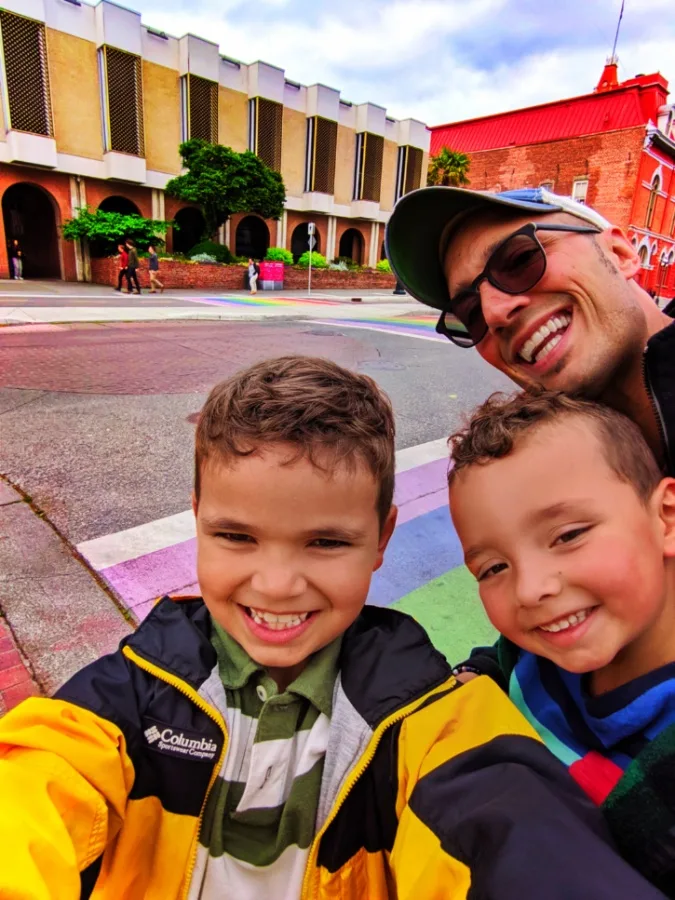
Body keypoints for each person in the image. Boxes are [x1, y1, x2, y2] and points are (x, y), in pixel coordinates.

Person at [0, 356, 663, 900]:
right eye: (236, 536)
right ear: (196, 517)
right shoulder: (127, 693)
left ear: (381, 539)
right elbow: (33, 784)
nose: (277, 584)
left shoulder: (428, 717)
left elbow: (514, 829)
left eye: (324, 543)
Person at [446, 388, 675, 895]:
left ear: (666, 517)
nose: (530, 589)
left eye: (569, 535)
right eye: (493, 568)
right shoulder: (532, 657)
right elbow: (494, 663)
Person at [385, 186, 675, 476]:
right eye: (470, 313)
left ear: (620, 254)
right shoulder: (550, 474)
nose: (493, 312)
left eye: (521, 259)